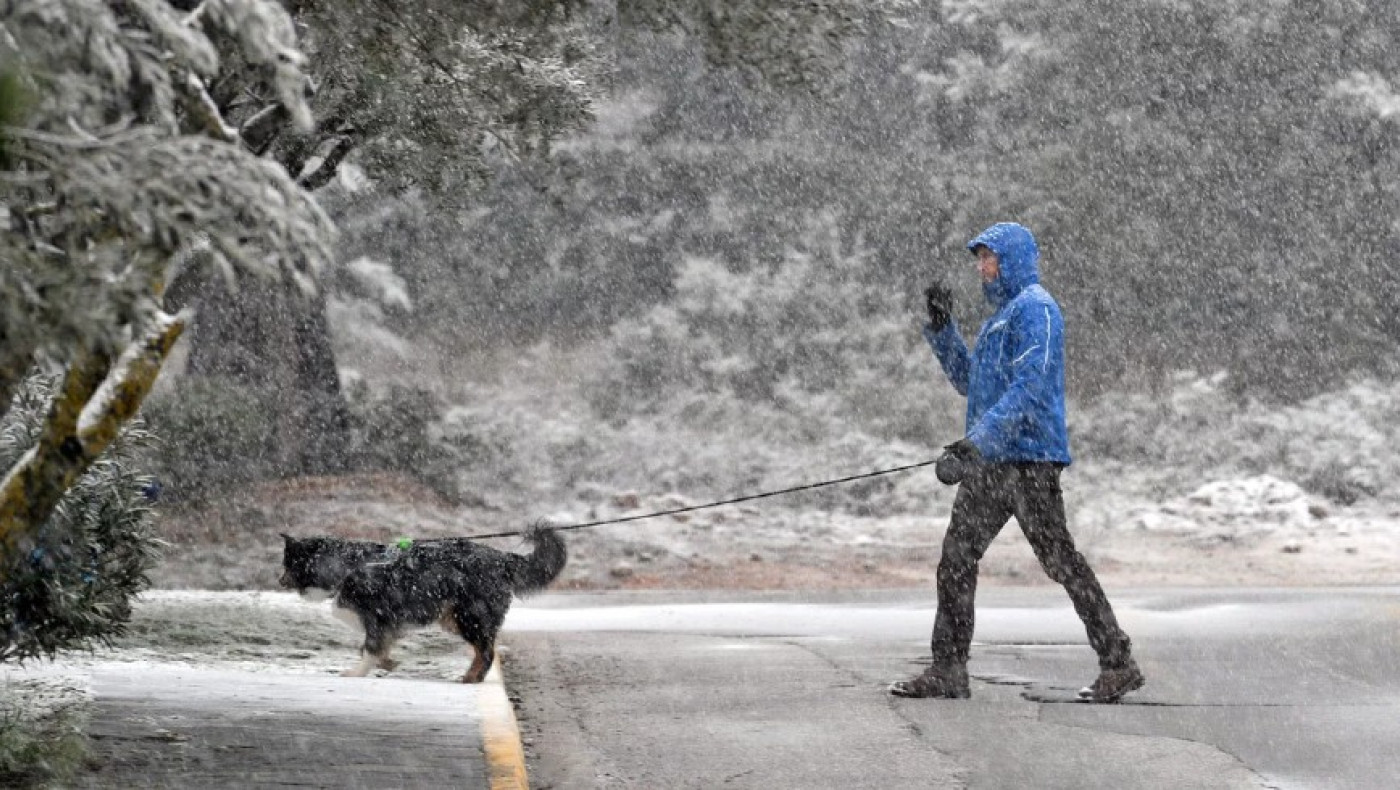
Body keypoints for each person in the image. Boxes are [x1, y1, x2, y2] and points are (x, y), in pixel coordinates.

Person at [889, 222, 1144, 703]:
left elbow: (1030, 387)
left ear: (1013, 260)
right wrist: (944, 331)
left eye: (989, 259)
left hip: (1029, 462)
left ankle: (1118, 662)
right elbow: (970, 383)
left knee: (1059, 561)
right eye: (980, 260)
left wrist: (975, 443)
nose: (982, 269)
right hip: (990, 463)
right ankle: (948, 669)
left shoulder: (1038, 310)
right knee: (957, 559)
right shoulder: (998, 320)